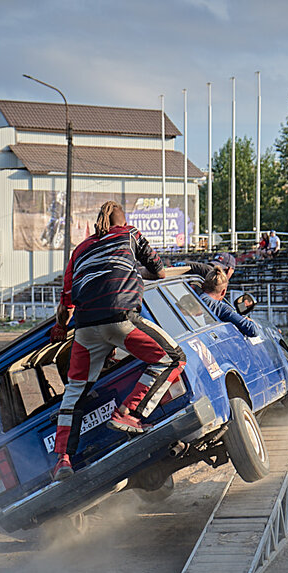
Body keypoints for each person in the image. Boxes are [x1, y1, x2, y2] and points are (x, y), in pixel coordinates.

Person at [47, 201, 187, 482]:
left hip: (85, 327)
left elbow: (65, 308)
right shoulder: (131, 235)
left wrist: (60, 328)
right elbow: (158, 272)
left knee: (74, 392)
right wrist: (134, 274)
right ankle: (129, 412)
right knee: (173, 358)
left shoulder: (79, 251)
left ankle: (62, 459)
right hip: (121, 318)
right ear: (123, 222)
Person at [197, 267, 259, 337]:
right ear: (223, 292)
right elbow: (253, 330)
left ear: (202, 286)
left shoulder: (191, 297)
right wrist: (252, 322)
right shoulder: (220, 308)